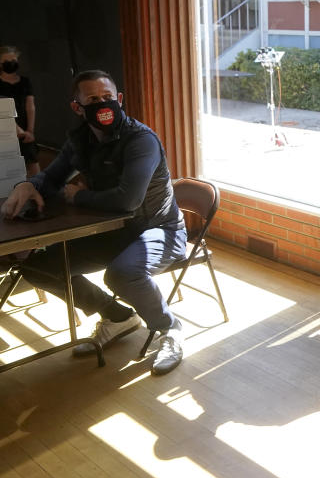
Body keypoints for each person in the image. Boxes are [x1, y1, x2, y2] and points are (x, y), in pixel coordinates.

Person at [0, 70, 188, 375]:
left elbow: (129, 200)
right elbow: (52, 176)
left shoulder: (141, 140)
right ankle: (117, 316)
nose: (102, 104)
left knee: (122, 274)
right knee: (39, 266)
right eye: (92, 100)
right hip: (115, 231)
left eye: (108, 98)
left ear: (119, 100)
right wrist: (28, 185)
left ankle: (171, 328)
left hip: (159, 229)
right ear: (77, 107)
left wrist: (78, 198)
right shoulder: (81, 141)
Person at [0, 46, 40, 176]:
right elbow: (2, 109)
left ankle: (37, 191)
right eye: (7, 61)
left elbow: (30, 106)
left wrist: (30, 130)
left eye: (14, 59)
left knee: (32, 159)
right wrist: (18, 130)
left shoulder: (25, 81)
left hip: (24, 125)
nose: (11, 63)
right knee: (10, 164)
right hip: (5, 127)